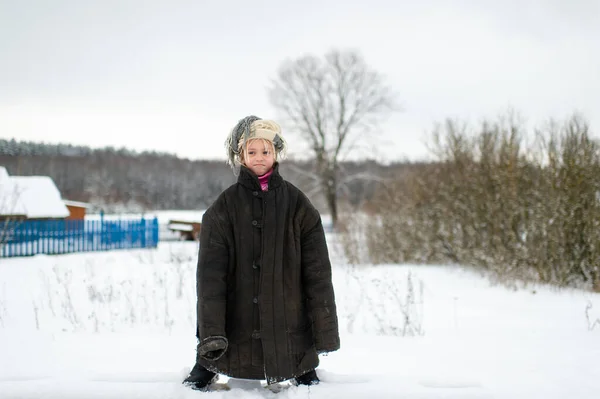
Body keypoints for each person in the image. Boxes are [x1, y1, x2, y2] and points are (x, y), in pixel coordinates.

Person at [183, 115, 340, 390]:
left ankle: (300, 366)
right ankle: (210, 363)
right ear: (240, 156)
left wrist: (325, 334)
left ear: (275, 152)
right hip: (236, 320)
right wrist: (210, 337)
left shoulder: (298, 204)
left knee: (308, 376)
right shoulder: (224, 207)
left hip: (290, 325)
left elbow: (318, 273)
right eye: (251, 151)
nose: (259, 157)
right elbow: (210, 279)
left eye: (265, 151)